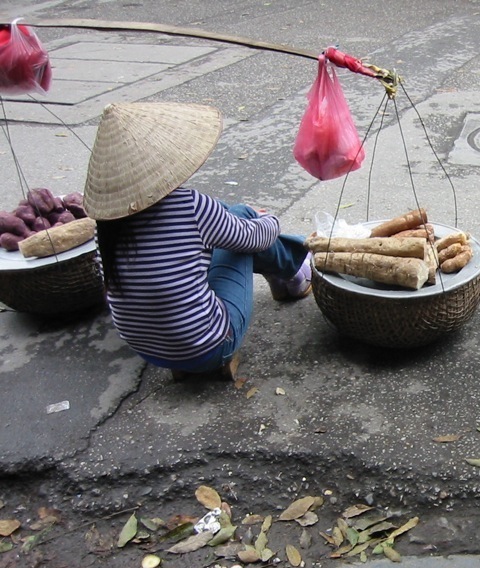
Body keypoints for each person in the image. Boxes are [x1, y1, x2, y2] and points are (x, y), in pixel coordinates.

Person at [83, 101, 312, 379]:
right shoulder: (189, 206)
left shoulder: (105, 226)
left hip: (150, 352)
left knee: (233, 218)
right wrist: (270, 219)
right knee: (246, 220)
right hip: (212, 347)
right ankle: (293, 271)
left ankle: (290, 273)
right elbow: (254, 239)